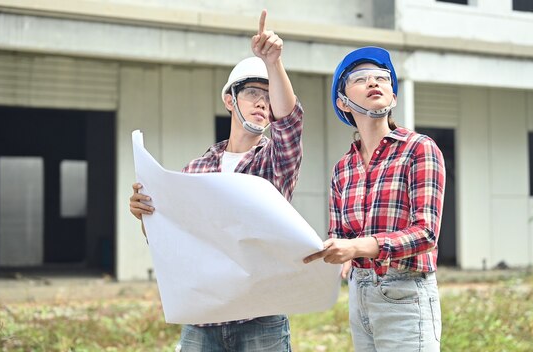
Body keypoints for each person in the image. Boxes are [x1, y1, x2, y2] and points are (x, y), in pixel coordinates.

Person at [129, 10, 302, 352]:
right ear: (229, 100)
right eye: (254, 93)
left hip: (260, 316)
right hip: (203, 318)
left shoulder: (275, 161)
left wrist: (272, 63)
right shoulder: (196, 169)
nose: (262, 103)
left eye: (268, 97)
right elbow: (173, 240)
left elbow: (290, 122)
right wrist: (145, 216)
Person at [303, 46, 445, 351]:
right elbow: (339, 235)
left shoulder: (419, 149)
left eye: (383, 78)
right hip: (360, 293)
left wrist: (356, 247)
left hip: (406, 294)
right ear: (343, 102)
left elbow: (426, 233)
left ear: (393, 97)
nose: (374, 82)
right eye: (360, 78)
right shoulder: (343, 168)